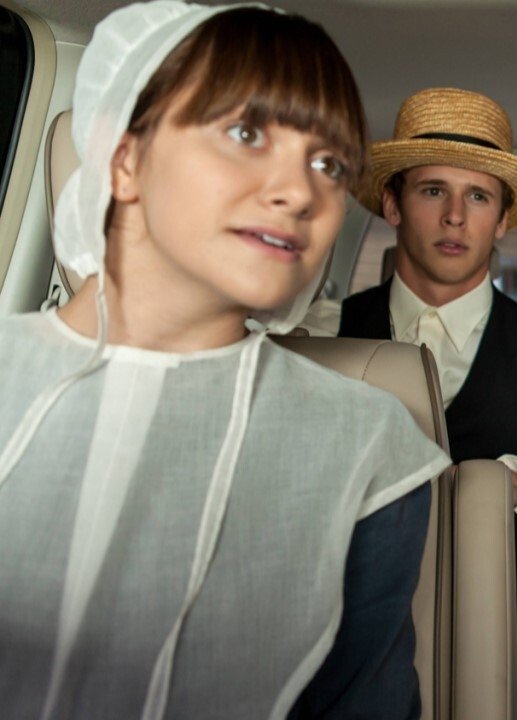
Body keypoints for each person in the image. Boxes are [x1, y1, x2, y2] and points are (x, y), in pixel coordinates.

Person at [0, 3, 451, 718]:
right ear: (124, 160)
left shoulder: (370, 449)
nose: (300, 193)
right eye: (246, 133)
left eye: (329, 164)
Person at [301, 87, 517, 717]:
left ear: (503, 220)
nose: (456, 218)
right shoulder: (319, 338)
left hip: (497, 656)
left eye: (479, 197)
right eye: (434, 190)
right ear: (392, 203)